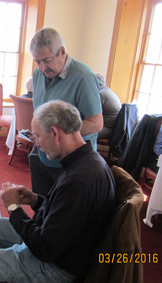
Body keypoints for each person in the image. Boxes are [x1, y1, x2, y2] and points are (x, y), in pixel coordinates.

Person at [0, 101, 116, 283]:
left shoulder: (79, 181)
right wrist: (36, 200)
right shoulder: (86, 160)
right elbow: (66, 216)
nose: (36, 142)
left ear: (55, 133)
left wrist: (13, 207)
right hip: (55, 245)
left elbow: (44, 249)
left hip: (55, 267)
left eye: (37, 135)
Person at [29, 27, 103, 196]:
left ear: (62, 52)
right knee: (41, 207)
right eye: (37, 62)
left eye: (46, 60)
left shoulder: (83, 77)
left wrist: (59, 134)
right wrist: (41, 134)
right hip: (42, 153)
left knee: (62, 212)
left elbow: (96, 124)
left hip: (69, 161)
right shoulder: (38, 74)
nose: (42, 68)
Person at [96, 74, 122, 139]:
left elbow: (90, 112)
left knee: (83, 133)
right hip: (113, 128)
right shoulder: (107, 90)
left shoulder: (101, 94)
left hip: (108, 129)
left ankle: (86, 149)